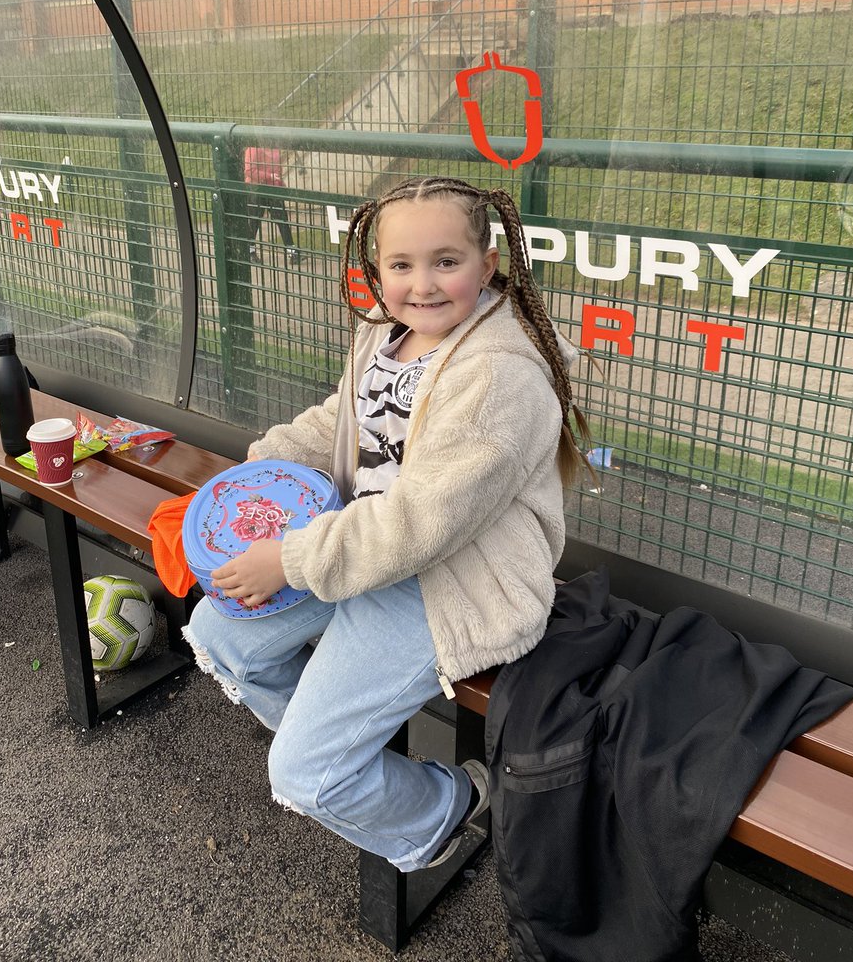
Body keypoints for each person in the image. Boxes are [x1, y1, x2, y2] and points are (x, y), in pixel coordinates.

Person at [183, 174, 591, 871]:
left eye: (447, 262)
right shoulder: (385, 330)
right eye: (401, 265)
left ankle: (447, 809)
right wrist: (262, 465)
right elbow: (343, 421)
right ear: (377, 271)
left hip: (448, 583)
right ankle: (338, 746)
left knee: (305, 776)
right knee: (222, 636)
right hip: (357, 547)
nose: (422, 284)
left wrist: (286, 559)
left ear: (487, 266)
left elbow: (422, 522)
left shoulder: (500, 376)